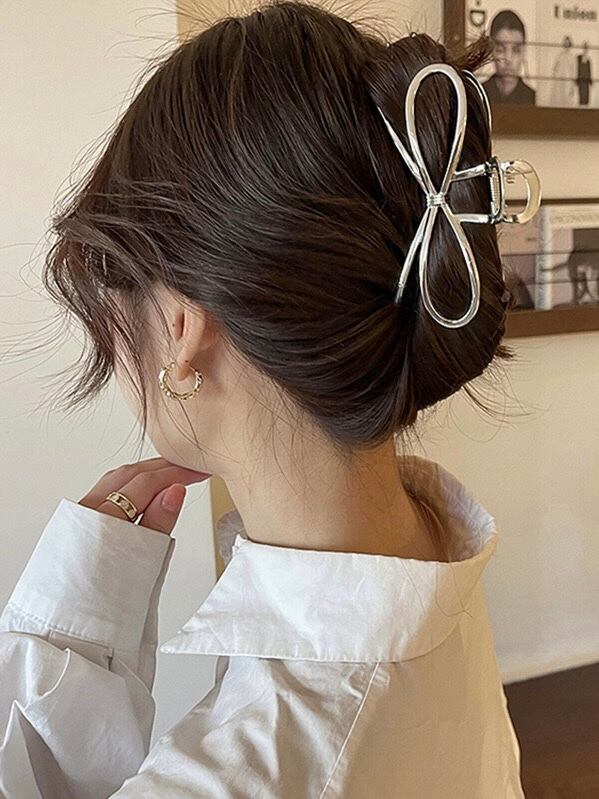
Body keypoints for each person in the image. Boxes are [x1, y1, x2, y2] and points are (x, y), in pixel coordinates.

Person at [0, 3, 540, 796]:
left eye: (116, 290)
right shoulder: (426, 548)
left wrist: (61, 644)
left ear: (181, 329)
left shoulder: (237, 773)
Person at [482, 9, 536, 104]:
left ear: (524, 51)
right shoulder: (479, 96)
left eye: (516, 50)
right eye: (500, 50)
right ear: (491, 50)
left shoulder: (534, 99)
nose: (508, 59)